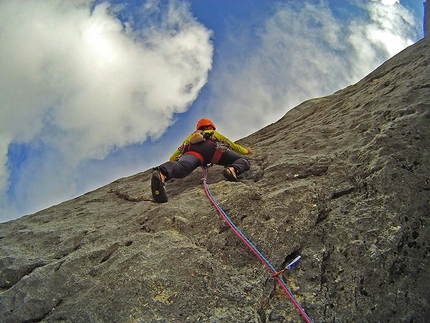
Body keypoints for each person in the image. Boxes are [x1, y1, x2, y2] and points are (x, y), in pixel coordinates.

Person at [151, 118, 253, 203]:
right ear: (209, 127)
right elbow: (232, 145)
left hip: (192, 152)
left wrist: (172, 163)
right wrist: (246, 151)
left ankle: (162, 173)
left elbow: (176, 153)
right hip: (213, 150)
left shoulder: (191, 137)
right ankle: (232, 169)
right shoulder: (213, 133)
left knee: (182, 167)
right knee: (242, 160)